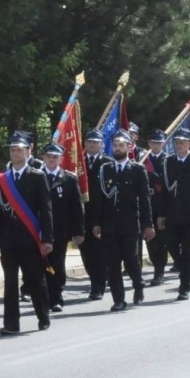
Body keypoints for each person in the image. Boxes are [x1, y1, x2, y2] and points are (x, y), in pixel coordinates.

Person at [0, 131, 55, 334]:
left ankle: (43, 316)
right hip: (9, 240)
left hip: (30, 238)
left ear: (28, 151)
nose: (15, 153)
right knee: (10, 283)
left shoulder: (37, 176)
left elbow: (46, 209)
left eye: (19, 150)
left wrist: (47, 238)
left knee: (35, 279)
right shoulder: (2, 179)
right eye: (12, 150)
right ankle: (11, 324)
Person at [92, 129, 154, 309]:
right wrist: (96, 223)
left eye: (121, 145)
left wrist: (148, 224)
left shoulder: (137, 170)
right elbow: (99, 199)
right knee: (112, 263)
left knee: (131, 259)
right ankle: (119, 300)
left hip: (130, 223)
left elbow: (145, 199)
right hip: (110, 224)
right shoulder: (105, 170)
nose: (117, 148)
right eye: (115, 145)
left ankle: (138, 284)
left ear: (129, 147)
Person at [159, 128, 190, 299]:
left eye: (182, 142)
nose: (179, 145)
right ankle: (187, 271)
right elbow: (164, 191)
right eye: (177, 142)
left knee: (188, 250)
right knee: (171, 244)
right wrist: (161, 214)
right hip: (172, 213)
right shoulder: (168, 162)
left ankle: (184, 286)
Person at [41, 143, 84, 311]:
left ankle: (56, 298)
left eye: (55, 157)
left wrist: (78, 231)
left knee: (57, 264)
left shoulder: (69, 179)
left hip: (60, 230)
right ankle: (43, 297)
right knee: (40, 264)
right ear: (44, 158)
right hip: (38, 229)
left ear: (61, 159)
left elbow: (76, 207)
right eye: (48, 156)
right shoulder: (36, 176)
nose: (51, 159)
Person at [79, 129, 114, 301]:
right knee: (85, 252)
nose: (92, 145)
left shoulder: (108, 163)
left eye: (96, 142)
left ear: (101, 144)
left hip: (102, 214)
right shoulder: (78, 163)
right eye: (90, 141)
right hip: (82, 214)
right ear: (85, 143)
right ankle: (96, 278)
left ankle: (98, 285)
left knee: (99, 252)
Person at [142, 131, 170, 285]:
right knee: (150, 241)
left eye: (159, 143)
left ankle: (160, 272)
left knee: (162, 241)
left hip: (163, 204)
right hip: (147, 203)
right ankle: (157, 267)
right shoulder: (143, 159)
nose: (156, 145)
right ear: (149, 143)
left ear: (163, 144)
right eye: (153, 142)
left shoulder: (168, 160)